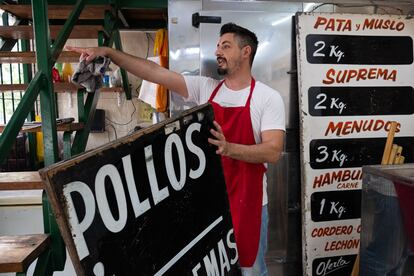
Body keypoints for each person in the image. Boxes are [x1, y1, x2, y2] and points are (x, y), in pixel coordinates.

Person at [67, 22, 285, 276]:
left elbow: (272, 151)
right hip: (208, 204)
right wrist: (110, 53)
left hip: (249, 204)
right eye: (217, 46)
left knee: (251, 271)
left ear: (246, 52)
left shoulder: (266, 98)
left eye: (225, 46)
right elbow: (154, 73)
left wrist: (229, 148)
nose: (218, 51)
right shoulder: (206, 88)